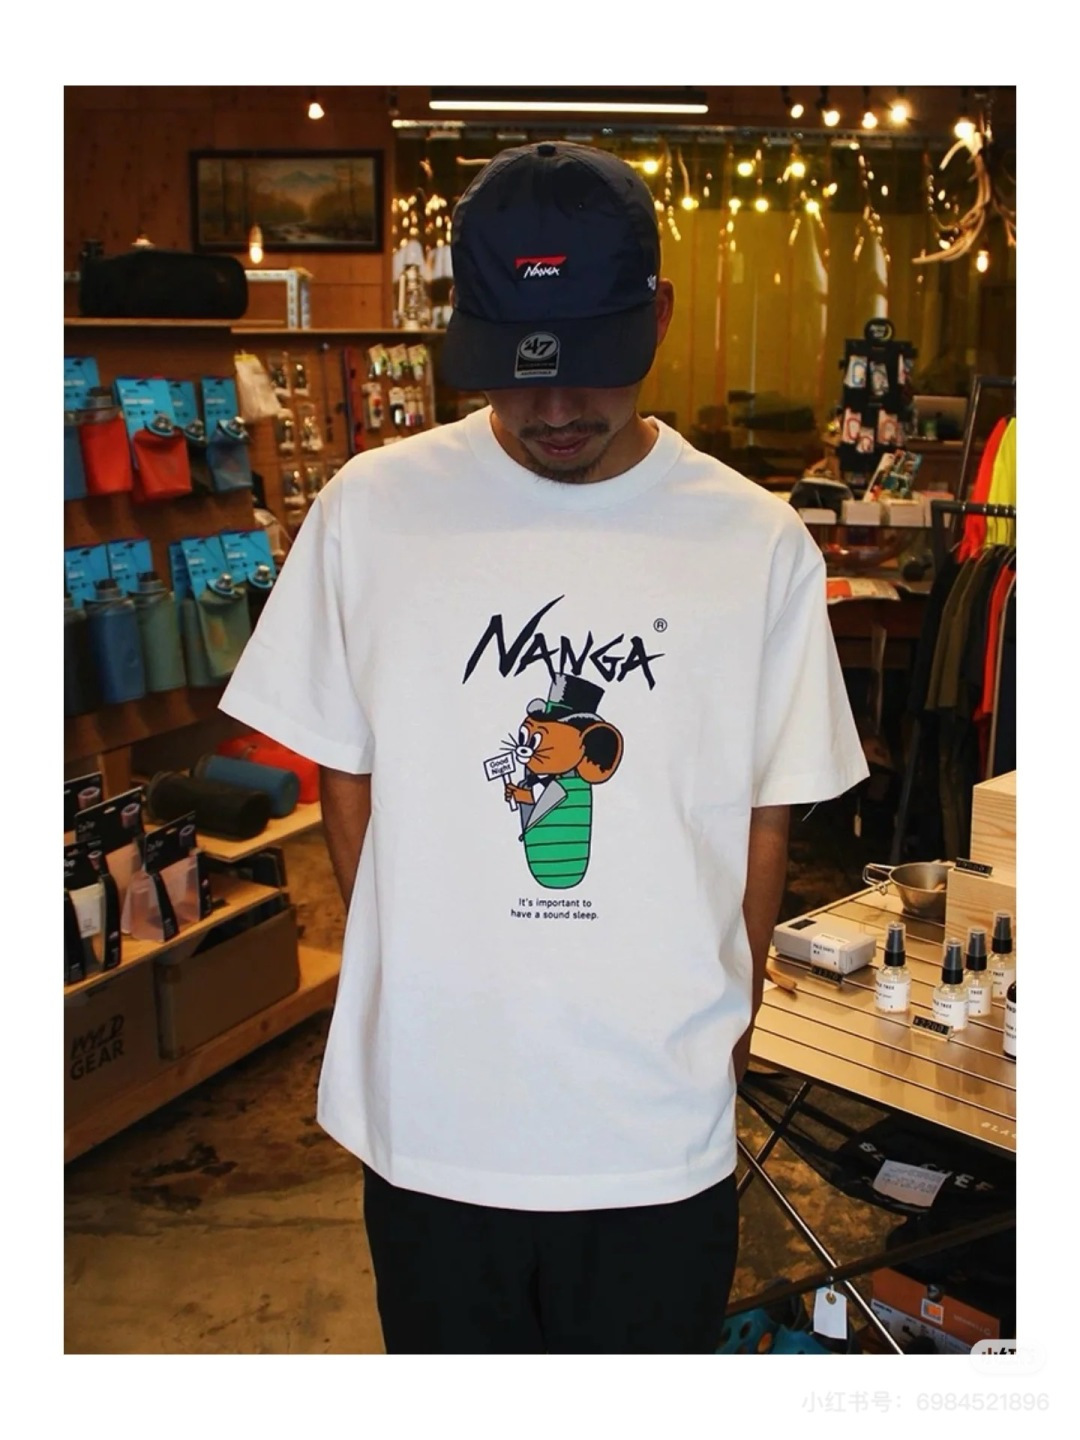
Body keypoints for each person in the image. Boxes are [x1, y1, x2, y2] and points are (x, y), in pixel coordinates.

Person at [220, 140, 868, 1354]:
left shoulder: (756, 543)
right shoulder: (371, 510)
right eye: (519, 374)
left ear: (657, 318)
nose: (557, 410)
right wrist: (409, 969)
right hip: (434, 1114)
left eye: (590, 367)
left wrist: (723, 1035)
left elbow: (763, 817)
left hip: (655, 1126)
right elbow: (345, 770)